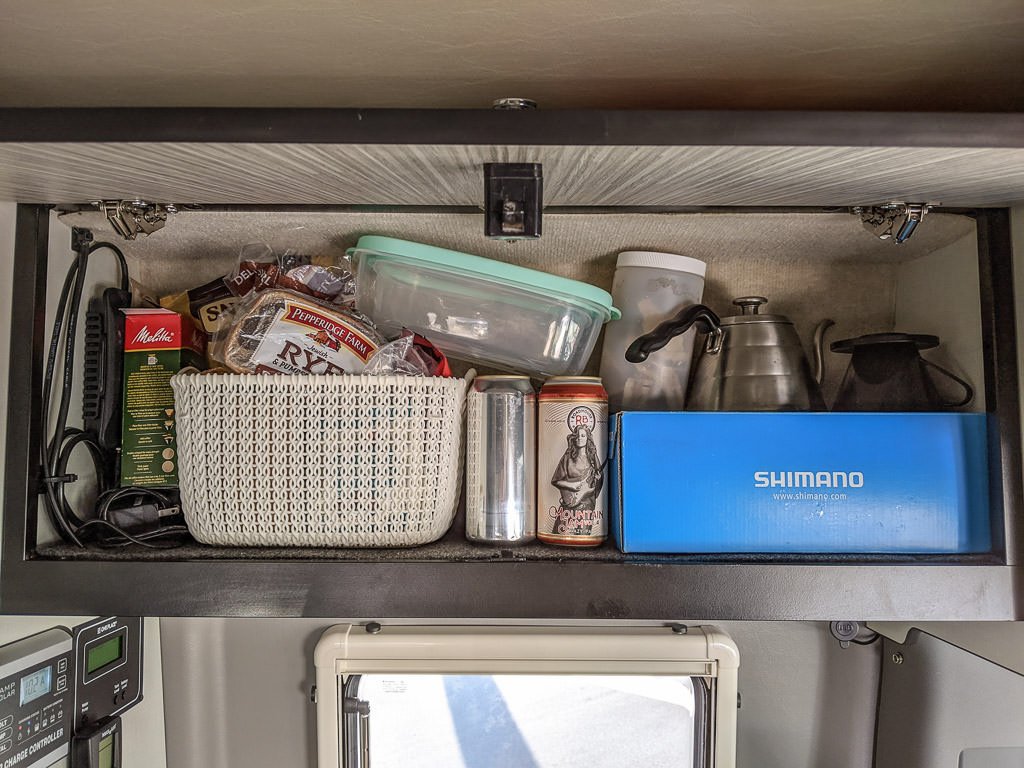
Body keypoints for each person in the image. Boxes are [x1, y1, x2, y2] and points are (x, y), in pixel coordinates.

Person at [550, 423, 604, 514]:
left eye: (583, 436)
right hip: (569, 503)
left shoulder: (593, 457)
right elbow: (555, 481)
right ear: (574, 438)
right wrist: (572, 485)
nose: (579, 438)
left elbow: (599, 481)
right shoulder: (567, 457)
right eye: (577, 435)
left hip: (587, 505)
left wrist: (598, 479)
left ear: (588, 439)